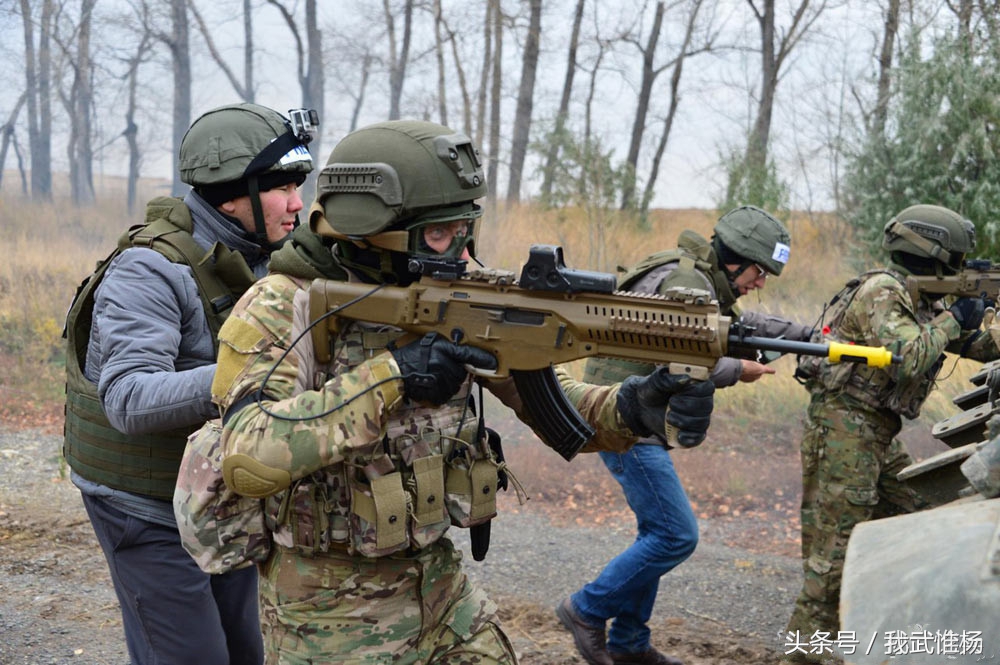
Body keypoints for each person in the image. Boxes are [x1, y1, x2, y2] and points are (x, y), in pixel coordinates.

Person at [207, 119, 716, 664]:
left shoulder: (455, 293)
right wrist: (391, 376)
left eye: (464, 227)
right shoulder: (283, 304)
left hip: (440, 586)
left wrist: (631, 406)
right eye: (439, 234)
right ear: (370, 225)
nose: (461, 249)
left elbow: (555, 403)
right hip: (327, 609)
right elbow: (247, 449)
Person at [63, 102, 315, 665]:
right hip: (144, 506)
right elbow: (127, 398)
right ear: (231, 195)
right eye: (283, 187)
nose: (299, 202)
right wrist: (256, 370)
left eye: (300, 184)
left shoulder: (260, 255)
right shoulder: (149, 270)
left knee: (246, 652)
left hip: (214, 493)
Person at [558, 206, 814, 665]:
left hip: (634, 414)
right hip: (622, 419)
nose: (760, 282)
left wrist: (809, 335)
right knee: (676, 535)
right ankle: (586, 609)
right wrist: (740, 370)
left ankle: (630, 644)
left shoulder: (695, 277)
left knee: (655, 532)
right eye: (759, 272)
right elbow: (678, 361)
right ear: (735, 259)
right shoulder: (687, 283)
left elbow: (738, 329)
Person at [782, 204, 998, 664]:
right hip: (843, 429)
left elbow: (976, 347)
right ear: (935, 251)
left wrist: (982, 316)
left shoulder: (922, 301)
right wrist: (957, 316)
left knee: (917, 519)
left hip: (874, 434)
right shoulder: (884, 291)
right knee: (831, 567)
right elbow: (908, 356)